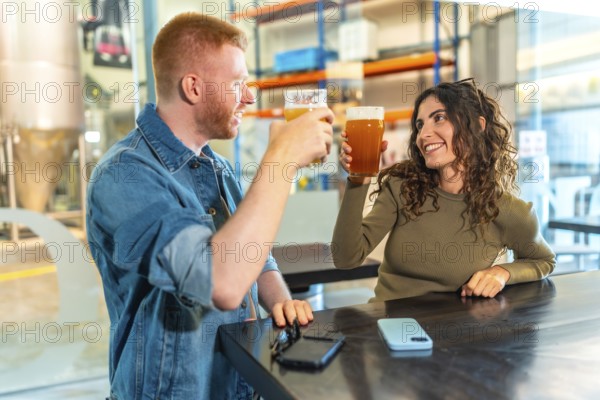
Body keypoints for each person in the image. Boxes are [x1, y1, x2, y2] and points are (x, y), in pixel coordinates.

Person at [86, 12, 334, 400]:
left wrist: (281, 301)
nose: (250, 95)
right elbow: (218, 281)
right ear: (193, 88)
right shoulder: (123, 176)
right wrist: (281, 159)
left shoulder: (216, 167)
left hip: (237, 384)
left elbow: (255, 256)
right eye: (237, 83)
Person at [333, 78, 555, 301]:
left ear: (477, 126)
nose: (423, 135)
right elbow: (346, 258)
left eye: (438, 118)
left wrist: (502, 273)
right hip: (389, 325)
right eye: (420, 125)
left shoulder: (507, 210)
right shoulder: (401, 187)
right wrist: (357, 179)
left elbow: (544, 261)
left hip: (457, 331)